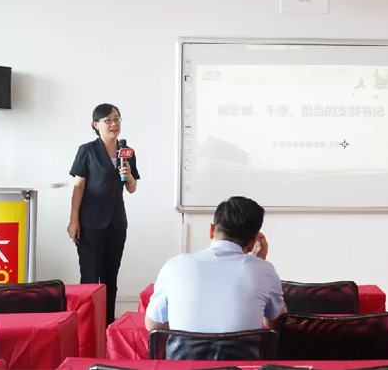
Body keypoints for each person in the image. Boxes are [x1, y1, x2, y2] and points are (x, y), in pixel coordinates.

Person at [145, 196, 286, 333]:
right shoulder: (264, 271)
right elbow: (275, 326)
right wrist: (260, 262)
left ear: (212, 230)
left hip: (184, 350)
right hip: (243, 350)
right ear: (253, 242)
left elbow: (153, 325)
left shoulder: (175, 266)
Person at [68, 103, 139, 325]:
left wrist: (128, 176)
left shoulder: (127, 152)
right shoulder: (87, 150)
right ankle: (86, 325)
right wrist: (73, 220)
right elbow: (79, 186)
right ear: (96, 124)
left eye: (117, 119)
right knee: (90, 277)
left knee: (111, 278)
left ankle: (108, 325)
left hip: (116, 223)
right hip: (90, 223)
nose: (113, 124)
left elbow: (132, 188)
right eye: (107, 120)